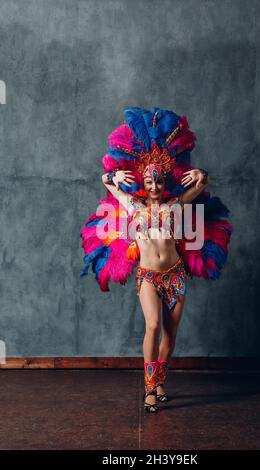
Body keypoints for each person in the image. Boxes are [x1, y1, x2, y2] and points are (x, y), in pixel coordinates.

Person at [80, 107, 233, 413]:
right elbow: (105, 180)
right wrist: (112, 174)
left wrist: (201, 174)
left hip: (175, 274)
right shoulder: (133, 206)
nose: (153, 186)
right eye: (149, 181)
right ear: (143, 182)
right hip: (149, 276)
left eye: (158, 181)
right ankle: (150, 388)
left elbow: (201, 184)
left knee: (171, 333)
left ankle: (161, 380)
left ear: (164, 182)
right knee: (152, 326)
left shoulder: (175, 204)